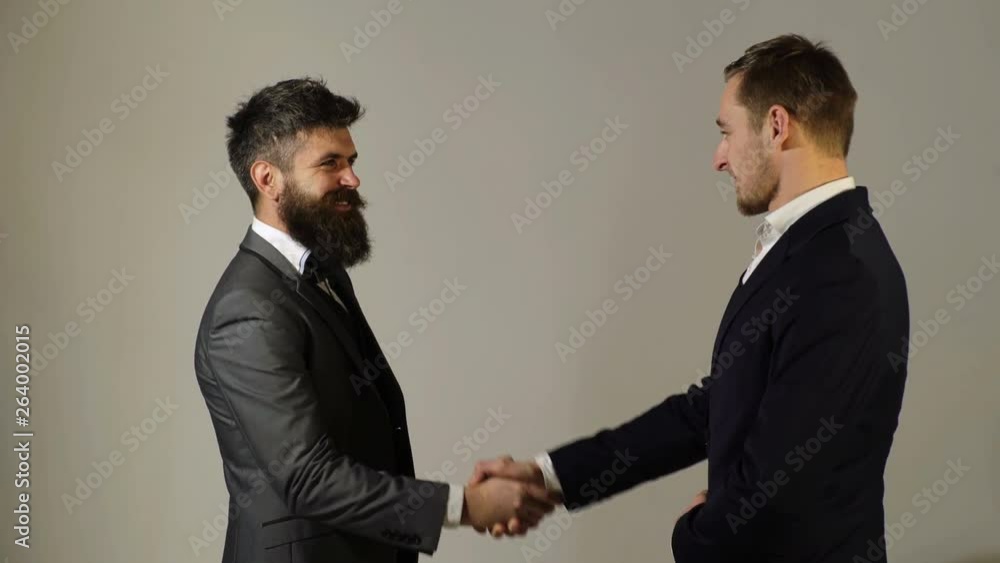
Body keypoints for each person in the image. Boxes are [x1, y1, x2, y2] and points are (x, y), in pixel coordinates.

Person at [471, 34, 909, 563]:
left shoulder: (839, 270)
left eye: (726, 133)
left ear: (776, 126)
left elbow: (782, 488)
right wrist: (548, 476)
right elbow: (715, 407)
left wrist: (691, 534)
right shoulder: (818, 247)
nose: (719, 158)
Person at [193, 77, 556, 563]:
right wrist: (465, 506)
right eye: (330, 163)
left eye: (351, 161)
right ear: (267, 179)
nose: (352, 179)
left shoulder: (326, 274)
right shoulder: (245, 309)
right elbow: (308, 478)